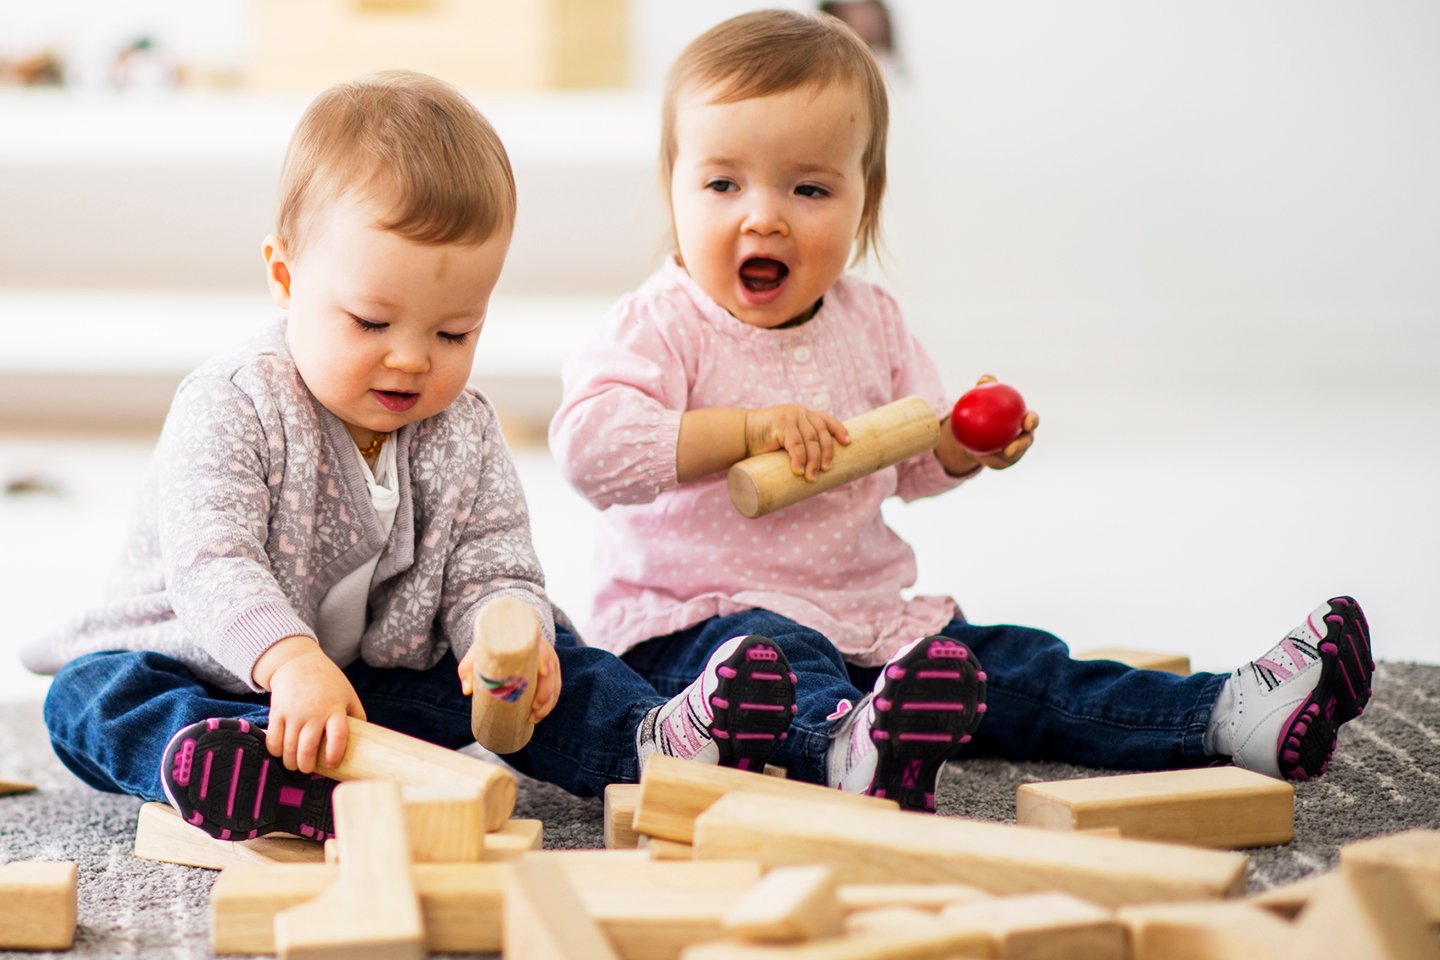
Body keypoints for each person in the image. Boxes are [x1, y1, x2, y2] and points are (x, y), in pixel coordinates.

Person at [548, 10, 1375, 812]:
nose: (762, 214)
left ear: (863, 201)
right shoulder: (659, 324)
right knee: (786, 663)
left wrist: (961, 447)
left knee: (1017, 668)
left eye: (808, 188)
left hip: (867, 620)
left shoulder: (871, 322)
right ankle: (846, 751)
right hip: (703, 634)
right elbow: (590, 449)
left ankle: (1229, 714)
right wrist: (744, 432)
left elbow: (910, 466)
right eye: (723, 183)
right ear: (673, 189)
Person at [23, 71, 764, 842]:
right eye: (372, 322)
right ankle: (240, 769)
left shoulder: (463, 430)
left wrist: (501, 640)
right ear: (285, 277)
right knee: (89, 697)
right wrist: (287, 663)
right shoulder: (234, 401)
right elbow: (213, 560)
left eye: (454, 334)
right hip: (206, 665)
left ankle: (653, 741)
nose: (410, 361)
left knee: (553, 655)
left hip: (359, 697)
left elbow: (493, 563)